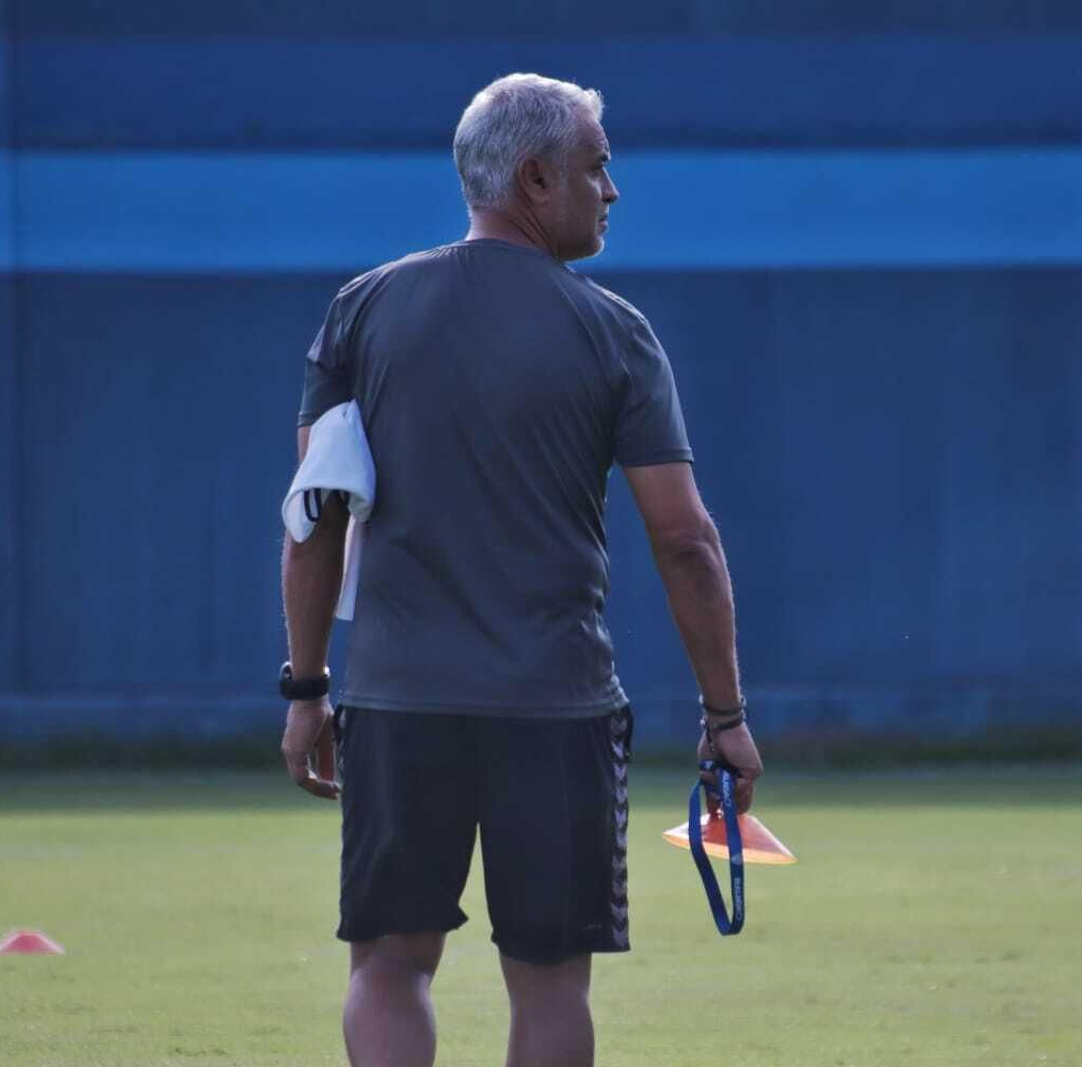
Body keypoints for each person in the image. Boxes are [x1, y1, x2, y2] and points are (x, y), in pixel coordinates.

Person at [278, 72, 762, 1067]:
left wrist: (306, 687)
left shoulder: (361, 311)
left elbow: (312, 518)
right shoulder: (614, 332)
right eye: (597, 167)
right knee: (548, 975)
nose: (611, 191)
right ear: (535, 179)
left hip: (399, 699)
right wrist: (725, 715)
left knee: (388, 964)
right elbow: (685, 539)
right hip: (557, 704)